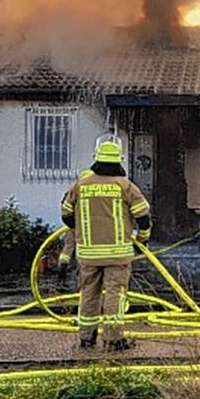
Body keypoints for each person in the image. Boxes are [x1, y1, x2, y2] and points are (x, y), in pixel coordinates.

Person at [60, 138, 151, 351]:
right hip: (118, 254)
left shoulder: (81, 185)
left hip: (88, 253)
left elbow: (65, 214)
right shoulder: (125, 186)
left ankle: (86, 337)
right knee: (115, 294)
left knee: (88, 293)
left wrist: (80, 231)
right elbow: (143, 216)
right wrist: (142, 240)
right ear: (118, 161)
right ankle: (114, 339)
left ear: (97, 160)